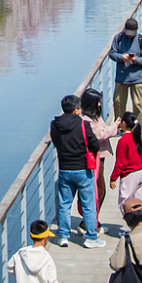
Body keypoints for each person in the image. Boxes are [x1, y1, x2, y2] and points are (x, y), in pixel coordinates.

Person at [49, 95, 102, 248]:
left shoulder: (54, 124)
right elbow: (95, 146)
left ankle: (63, 236)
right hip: (83, 170)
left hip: (65, 169)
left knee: (64, 204)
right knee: (88, 204)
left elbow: (56, 141)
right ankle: (91, 237)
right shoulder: (84, 125)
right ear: (76, 110)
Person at [108, 18, 142, 143]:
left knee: (137, 104)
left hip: (136, 77)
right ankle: (120, 127)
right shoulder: (119, 38)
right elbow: (112, 53)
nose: (130, 36)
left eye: (132, 34)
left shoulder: (141, 40)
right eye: (128, 33)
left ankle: (138, 128)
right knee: (118, 101)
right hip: (121, 77)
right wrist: (122, 57)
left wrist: (136, 59)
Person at [80, 89, 119, 218]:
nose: (100, 104)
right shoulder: (87, 120)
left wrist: (113, 126)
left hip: (101, 156)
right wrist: (114, 127)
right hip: (95, 157)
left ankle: (93, 219)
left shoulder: (95, 117)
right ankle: (90, 221)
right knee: (99, 190)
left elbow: (103, 130)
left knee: (100, 189)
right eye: (97, 102)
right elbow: (99, 135)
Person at [111, 110, 142, 206]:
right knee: (136, 201)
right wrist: (141, 166)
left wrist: (113, 178)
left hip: (129, 174)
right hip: (138, 172)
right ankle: (139, 218)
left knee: (125, 202)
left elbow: (120, 162)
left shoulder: (123, 141)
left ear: (124, 123)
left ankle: (131, 220)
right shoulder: (137, 138)